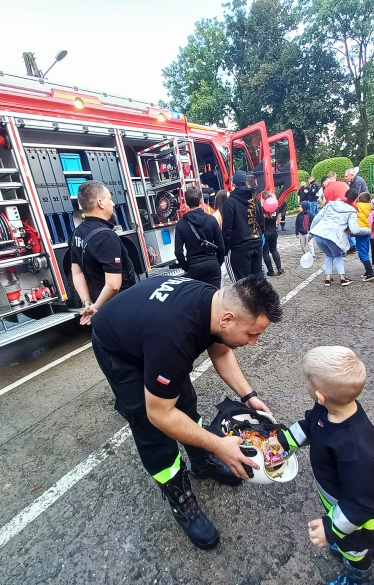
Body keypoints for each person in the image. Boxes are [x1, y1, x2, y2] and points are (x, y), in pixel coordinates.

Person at [90, 275, 282, 548]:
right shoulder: (173, 336)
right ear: (227, 320)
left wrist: (248, 395)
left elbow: (222, 350)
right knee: (151, 426)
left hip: (150, 331)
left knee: (185, 403)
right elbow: (160, 414)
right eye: (253, 334)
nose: (254, 342)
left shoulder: (213, 303)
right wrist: (219, 445)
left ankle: (202, 463)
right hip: (119, 350)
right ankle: (180, 498)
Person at [273, 346, 374, 585]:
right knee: (352, 543)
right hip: (344, 499)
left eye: (307, 380)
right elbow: (310, 426)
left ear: (320, 395)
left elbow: (360, 505)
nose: (305, 382)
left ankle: (360, 579)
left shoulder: (360, 454)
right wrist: (284, 442)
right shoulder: (328, 409)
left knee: (355, 551)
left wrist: (330, 529)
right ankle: (359, 547)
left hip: (361, 520)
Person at [70, 181, 136, 325]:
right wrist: (96, 308)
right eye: (110, 199)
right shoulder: (106, 236)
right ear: (100, 203)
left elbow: (77, 273)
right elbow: (113, 285)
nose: (113, 204)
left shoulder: (77, 233)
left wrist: (88, 302)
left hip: (100, 310)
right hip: (121, 310)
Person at [309, 189, 369, 287]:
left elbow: (317, 219)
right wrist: (368, 231)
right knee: (337, 256)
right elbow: (355, 230)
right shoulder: (351, 211)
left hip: (319, 234)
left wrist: (310, 234)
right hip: (333, 237)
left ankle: (328, 279)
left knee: (328, 255)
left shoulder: (330, 204)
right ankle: (342, 278)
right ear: (355, 199)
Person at [174, 186, 225, 288]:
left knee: (198, 301)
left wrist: (186, 267)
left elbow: (178, 252)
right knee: (214, 297)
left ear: (187, 203)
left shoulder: (181, 224)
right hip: (212, 265)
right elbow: (221, 247)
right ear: (201, 201)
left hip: (194, 268)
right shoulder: (212, 220)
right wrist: (217, 263)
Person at [222, 171, 264, 281]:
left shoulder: (230, 202)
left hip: (240, 248)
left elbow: (227, 229)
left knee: (242, 285)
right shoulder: (255, 199)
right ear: (246, 182)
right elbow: (261, 221)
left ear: (233, 184)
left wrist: (225, 250)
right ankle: (260, 299)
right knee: (257, 282)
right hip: (256, 244)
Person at [260, 191, 284, 276]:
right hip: (274, 231)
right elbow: (277, 218)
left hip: (265, 233)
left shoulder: (261, 210)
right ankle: (279, 268)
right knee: (274, 250)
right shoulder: (275, 208)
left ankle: (270, 270)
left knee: (265, 252)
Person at [355, 192, 374, 281]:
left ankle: (370, 273)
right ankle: (368, 271)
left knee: (362, 254)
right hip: (367, 230)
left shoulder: (357, 206)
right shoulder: (368, 206)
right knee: (365, 251)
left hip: (360, 232)